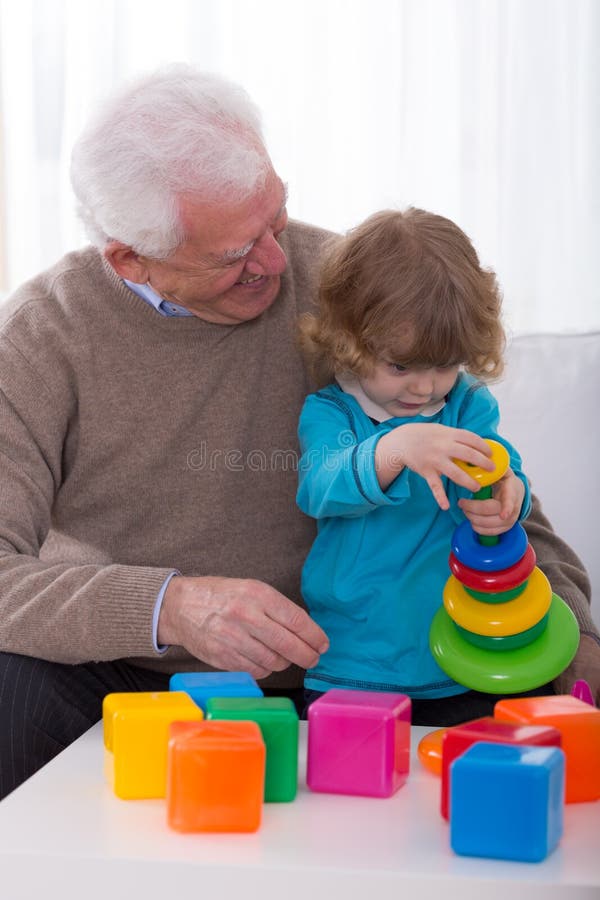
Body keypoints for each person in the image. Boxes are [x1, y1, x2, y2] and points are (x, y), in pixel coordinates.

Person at [0, 65, 597, 800]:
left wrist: (564, 632)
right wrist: (171, 607)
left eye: (275, 222)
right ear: (129, 256)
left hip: (354, 669)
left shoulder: (345, 283)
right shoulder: (40, 340)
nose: (280, 265)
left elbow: (496, 490)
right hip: (136, 677)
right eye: (234, 255)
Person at [296, 208, 598, 720]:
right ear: (350, 341)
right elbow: (320, 485)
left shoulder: (467, 404)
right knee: (351, 793)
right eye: (400, 365)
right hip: (360, 660)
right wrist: (396, 448)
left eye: (444, 364)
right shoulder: (331, 410)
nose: (424, 386)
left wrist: (507, 494)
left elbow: (502, 468)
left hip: (469, 652)